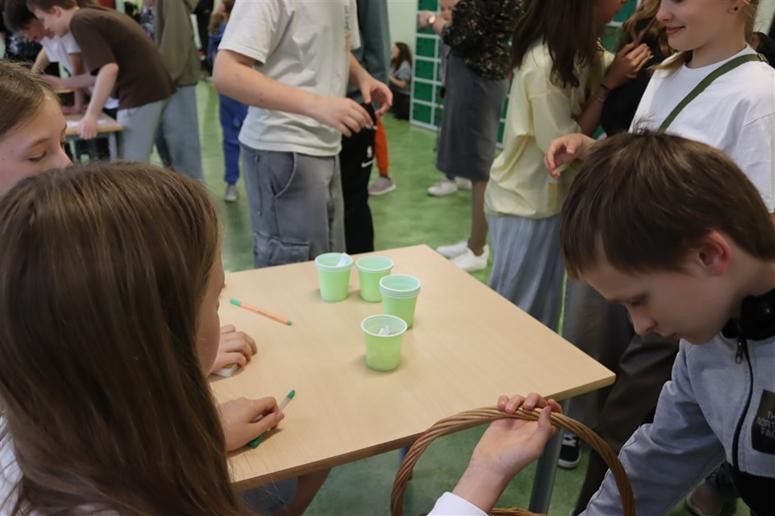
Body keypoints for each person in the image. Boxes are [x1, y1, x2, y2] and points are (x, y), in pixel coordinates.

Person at [429, 131, 775, 516]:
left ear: (709, 254)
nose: (640, 326)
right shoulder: (707, 341)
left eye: (639, 300)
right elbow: (662, 456)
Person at [546, 1, 775, 511]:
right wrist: (595, 151)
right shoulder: (665, 73)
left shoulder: (759, 93)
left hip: (701, 296)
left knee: (629, 409)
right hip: (680, 291)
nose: (662, 11)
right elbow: (660, 458)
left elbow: (762, 220)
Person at [483, 0, 646, 327]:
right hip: (525, 206)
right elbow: (563, 149)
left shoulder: (583, 50)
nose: (622, 2)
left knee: (539, 313)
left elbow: (612, 67)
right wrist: (607, 86)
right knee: (518, 317)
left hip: (547, 201)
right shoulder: (544, 65)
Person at [213, 0, 391, 268]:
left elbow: (333, 44)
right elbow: (227, 72)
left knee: (328, 265)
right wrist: (317, 105)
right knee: (291, 274)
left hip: (326, 146)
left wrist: (361, 76)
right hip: (282, 149)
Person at [418, 0, 523, 273]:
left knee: (480, 167)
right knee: (476, 163)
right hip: (483, 73)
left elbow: (462, 36)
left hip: (479, 77)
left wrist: (433, 21)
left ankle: (477, 248)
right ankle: (474, 241)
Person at [28, 0, 175, 161]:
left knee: (131, 162)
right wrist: (62, 83)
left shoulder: (80, 22)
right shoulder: (89, 15)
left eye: (43, 19)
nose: (46, 27)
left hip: (139, 93)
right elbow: (99, 74)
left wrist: (91, 115)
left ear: (56, 11)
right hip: (154, 88)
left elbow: (109, 70)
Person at [339, 0, 390, 254]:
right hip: (313, 107)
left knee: (353, 201)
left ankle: (360, 270)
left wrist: (370, 102)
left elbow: (376, 34)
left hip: (354, 102)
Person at [147, 0, 204, 182]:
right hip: (164, 81)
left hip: (173, 81)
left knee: (183, 157)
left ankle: (192, 200)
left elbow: (176, 39)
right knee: (170, 154)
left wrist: (162, 78)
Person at [208, 0, 246, 202]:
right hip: (249, 90)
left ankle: (231, 184)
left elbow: (211, 60)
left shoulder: (217, 28)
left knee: (231, 140)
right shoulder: (244, 27)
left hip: (228, 93)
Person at [388, 41, 412, 120]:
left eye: (395, 48)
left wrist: (389, 77)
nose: (392, 50)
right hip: (394, 92)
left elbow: (402, 84)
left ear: (401, 51)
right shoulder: (394, 62)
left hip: (402, 95)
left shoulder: (405, 65)